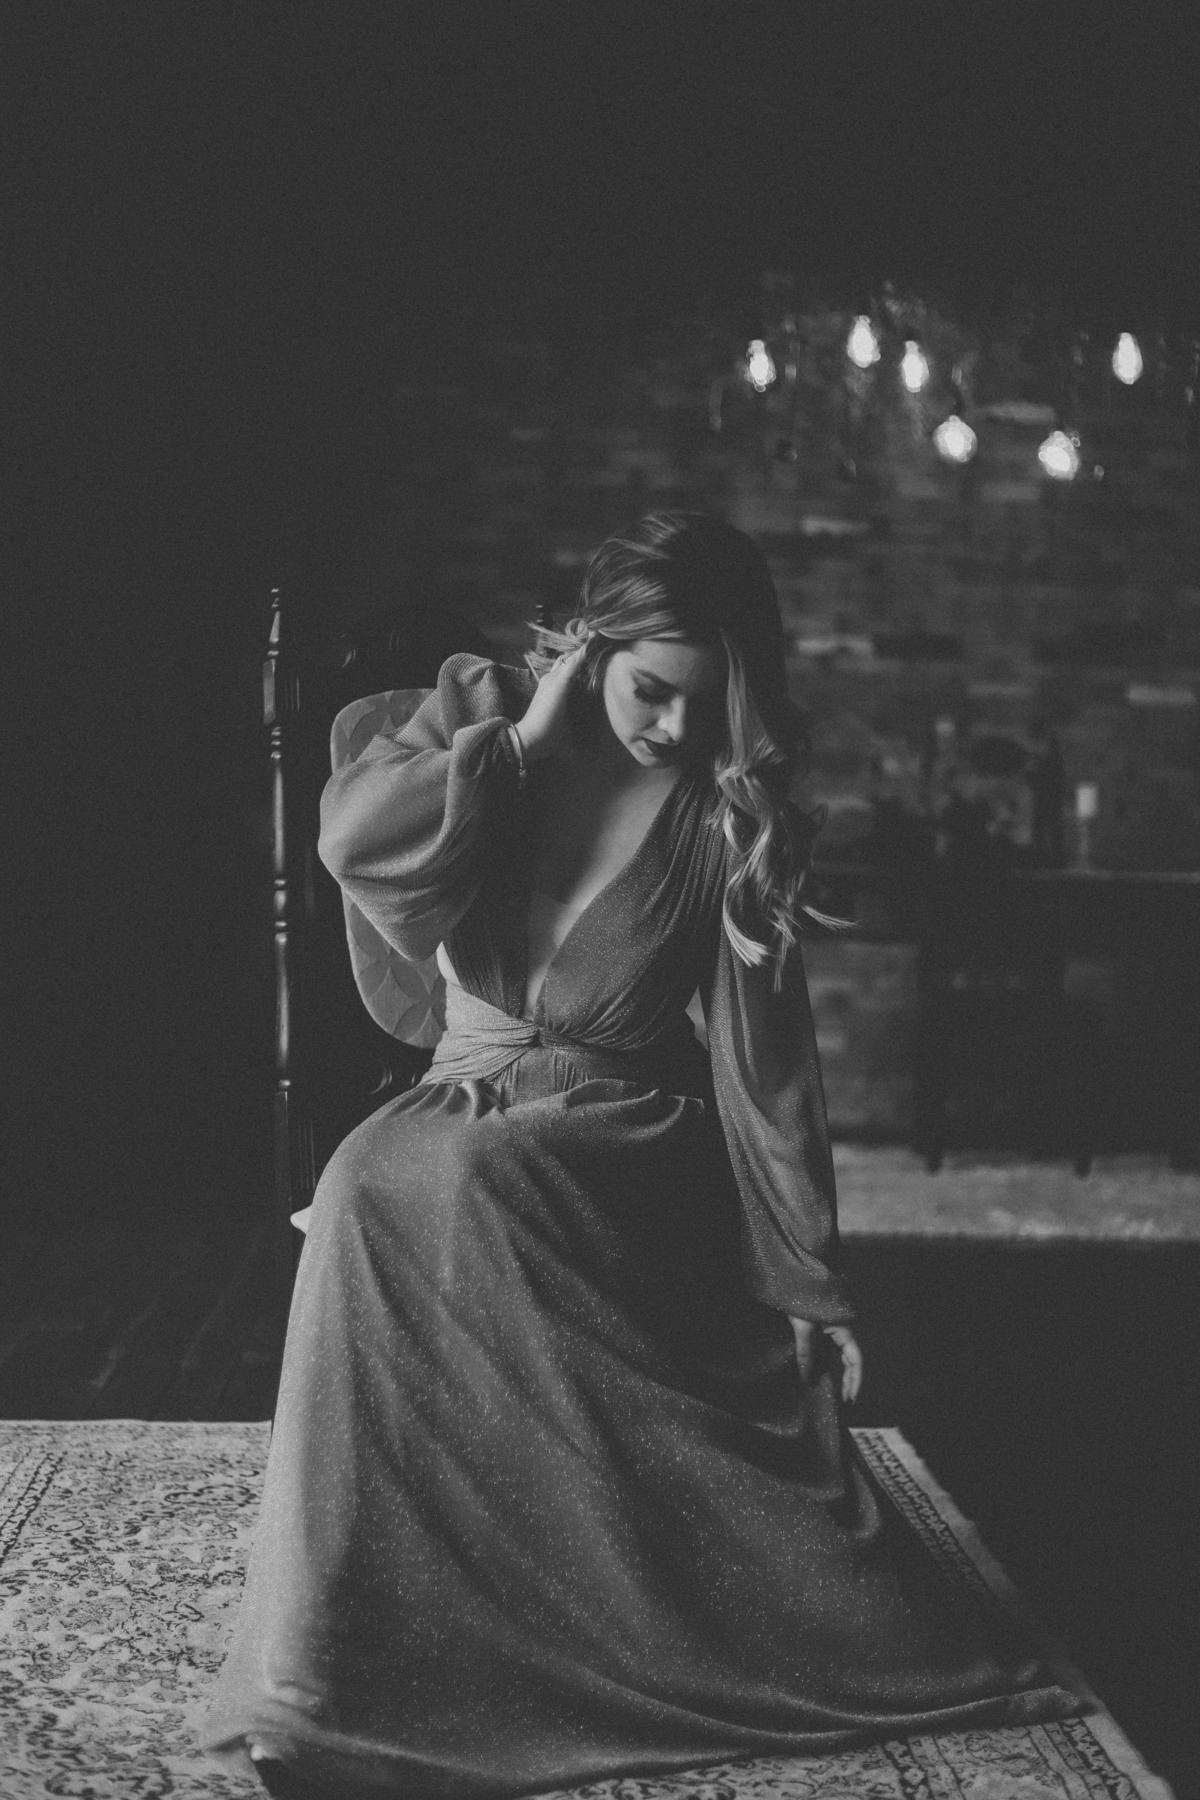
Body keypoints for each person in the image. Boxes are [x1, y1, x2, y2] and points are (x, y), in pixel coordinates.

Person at [201, 513, 1075, 1797]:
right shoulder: (482, 717)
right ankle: (342, 1654)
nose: (673, 727)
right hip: (459, 1103)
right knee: (364, 1187)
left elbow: (768, 1072)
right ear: (591, 651)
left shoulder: (724, 816)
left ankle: (573, 1639)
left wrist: (808, 1275)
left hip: (620, 1131)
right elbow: (352, 845)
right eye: (651, 690)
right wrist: (524, 743)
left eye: (704, 705)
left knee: (462, 1182)